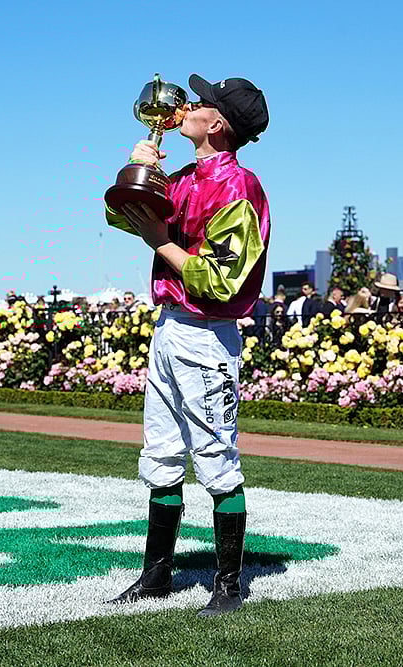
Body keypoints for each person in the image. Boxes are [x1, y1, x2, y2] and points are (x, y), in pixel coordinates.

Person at [105, 72, 269, 616]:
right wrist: (140, 169)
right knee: (161, 454)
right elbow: (123, 214)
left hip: (206, 334)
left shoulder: (237, 185)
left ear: (217, 123)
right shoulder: (184, 175)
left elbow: (221, 280)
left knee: (217, 459)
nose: (189, 106)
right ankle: (155, 576)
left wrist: (161, 242)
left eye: (200, 103)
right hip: (171, 326)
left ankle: (227, 586)